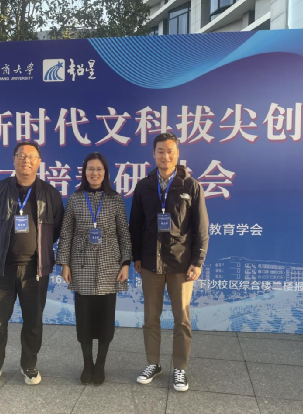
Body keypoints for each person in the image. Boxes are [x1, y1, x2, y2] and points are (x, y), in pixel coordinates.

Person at [0, 143, 64, 389]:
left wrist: (40, 247)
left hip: (35, 270)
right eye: (21, 156)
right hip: (0, 268)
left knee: (33, 322)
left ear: (39, 162)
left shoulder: (50, 193)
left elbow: (57, 228)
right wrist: (2, 244)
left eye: (31, 156)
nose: (26, 160)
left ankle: (29, 364)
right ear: (13, 160)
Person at [130, 133, 209, 392]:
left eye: (170, 151)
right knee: (150, 318)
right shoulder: (144, 186)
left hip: (181, 264)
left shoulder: (191, 186)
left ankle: (180, 368)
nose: (166, 156)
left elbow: (201, 228)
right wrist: (137, 257)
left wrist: (197, 261)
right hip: (151, 263)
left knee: (182, 319)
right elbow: (136, 225)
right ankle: (153, 363)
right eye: (161, 151)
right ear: (153, 154)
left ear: (178, 153)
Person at [56, 152, 132, 386]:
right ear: (84, 172)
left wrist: (126, 263)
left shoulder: (115, 199)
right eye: (90, 168)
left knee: (106, 321)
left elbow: (124, 233)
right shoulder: (75, 198)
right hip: (81, 265)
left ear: (105, 172)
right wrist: (65, 263)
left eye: (99, 169)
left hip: (110, 266)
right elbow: (66, 232)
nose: (94, 173)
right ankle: (87, 363)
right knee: (85, 320)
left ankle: (100, 364)